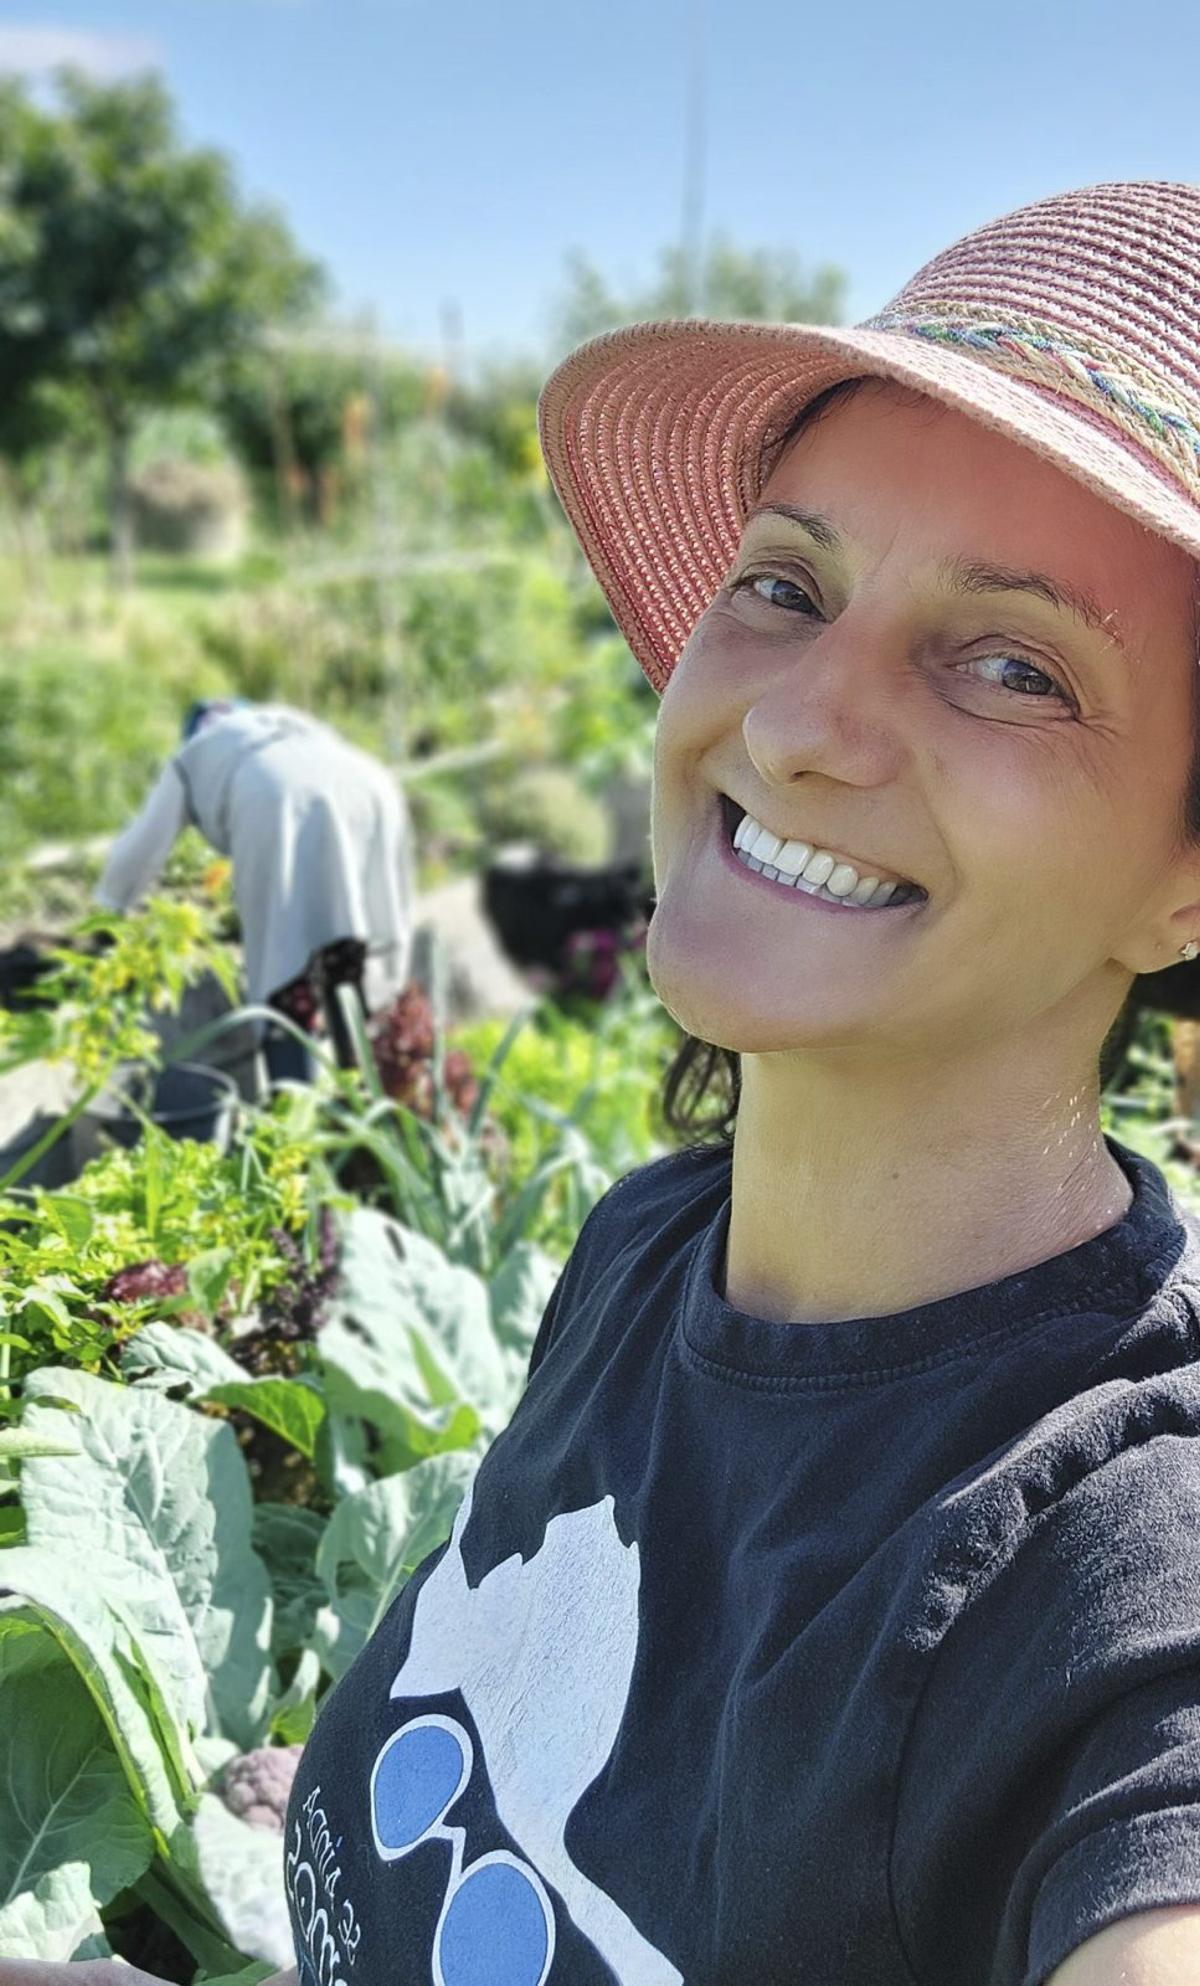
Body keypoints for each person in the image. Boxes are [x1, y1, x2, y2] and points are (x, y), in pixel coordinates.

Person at [22, 181, 1200, 1986]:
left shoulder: (1116, 1582)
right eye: (785, 585)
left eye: (1015, 664)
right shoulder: (654, 1253)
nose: (798, 721)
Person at [93, 698, 418, 1084]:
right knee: (349, 953)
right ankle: (368, 1103)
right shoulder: (294, 723)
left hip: (278, 799)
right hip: (371, 786)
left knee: (286, 977)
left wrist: (108, 913)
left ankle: (291, 1117)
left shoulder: (194, 754)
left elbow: (142, 845)